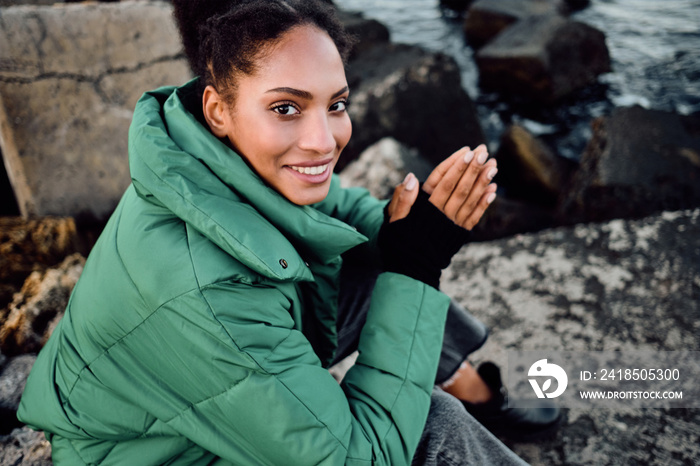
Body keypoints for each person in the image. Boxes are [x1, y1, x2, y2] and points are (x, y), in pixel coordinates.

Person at [18, 0, 558, 464]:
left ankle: (468, 383)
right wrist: (415, 267)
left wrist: (407, 236)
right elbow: (361, 458)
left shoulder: (206, 156)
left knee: (375, 263)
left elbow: (344, 217)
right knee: (428, 426)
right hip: (158, 454)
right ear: (218, 109)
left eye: (337, 104)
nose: (323, 141)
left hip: (187, 397)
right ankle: (453, 394)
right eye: (286, 108)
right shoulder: (206, 291)